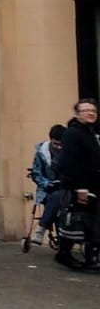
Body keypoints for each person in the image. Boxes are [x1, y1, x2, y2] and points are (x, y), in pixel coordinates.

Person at [56, 99, 100, 268]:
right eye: (86, 110)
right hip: (78, 186)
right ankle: (64, 253)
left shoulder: (89, 132)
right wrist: (80, 187)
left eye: (93, 111)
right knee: (77, 219)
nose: (91, 113)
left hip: (92, 184)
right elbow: (69, 162)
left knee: (91, 220)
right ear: (77, 113)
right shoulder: (73, 133)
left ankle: (91, 257)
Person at [31, 125, 66, 246]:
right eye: (55, 144)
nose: (58, 147)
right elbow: (36, 173)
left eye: (61, 144)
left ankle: (41, 229)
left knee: (58, 197)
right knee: (55, 197)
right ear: (50, 139)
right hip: (48, 189)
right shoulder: (41, 152)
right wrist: (47, 184)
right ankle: (43, 231)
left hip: (66, 187)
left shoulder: (70, 151)